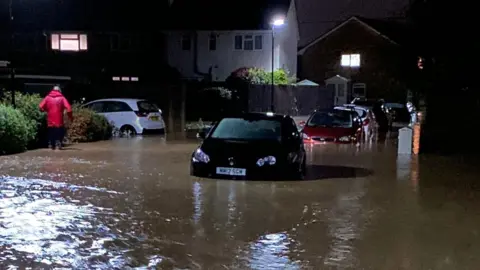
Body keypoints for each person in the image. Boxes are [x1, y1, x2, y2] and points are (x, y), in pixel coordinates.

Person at [39, 86, 73, 150]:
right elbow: (69, 109)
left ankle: (51, 145)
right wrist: (71, 118)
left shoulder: (47, 97)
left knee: (51, 133)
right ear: (59, 91)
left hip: (50, 120)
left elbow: (40, 107)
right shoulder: (62, 98)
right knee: (59, 133)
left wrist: (47, 110)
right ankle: (58, 145)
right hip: (59, 121)